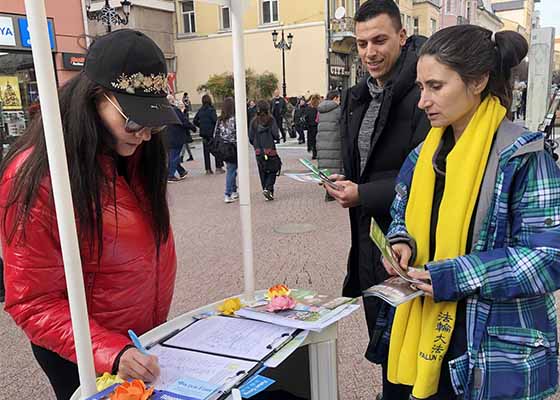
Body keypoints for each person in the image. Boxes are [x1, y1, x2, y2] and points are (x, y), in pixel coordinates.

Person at [370, 24, 560, 400]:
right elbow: (401, 213)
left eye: (436, 86)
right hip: (420, 335)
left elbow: (548, 258)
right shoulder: (423, 155)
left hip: (491, 350)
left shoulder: (523, 157)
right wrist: (401, 241)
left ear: (478, 81)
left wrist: (455, 274)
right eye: (421, 87)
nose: (423, 100)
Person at [0, 29, 178, 399]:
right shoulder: (40, 175)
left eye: (154, 123)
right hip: (82, 351)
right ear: (94, 99)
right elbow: (32, 301)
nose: (144, 135)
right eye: (133, 121)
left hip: (138, 343)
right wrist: (111, 352)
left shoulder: (138, 155)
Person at [324, 0, 430, 377]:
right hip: (370, 240)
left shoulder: (424, 95)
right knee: (385, 351)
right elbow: (361, 165)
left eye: (380, 40)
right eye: (362, 42)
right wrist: (343, 182)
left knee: (412, 356)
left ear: (403, 36)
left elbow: (425, 176)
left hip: (412, 245)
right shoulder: (359, 96)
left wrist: (362, 193)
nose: (370, 51)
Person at [249, 100, 282, 201]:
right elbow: (276, 134)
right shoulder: (271, 120)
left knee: (262, 170)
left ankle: (265, 188)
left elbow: (250, 136)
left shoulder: (254, 121)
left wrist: (255, 145)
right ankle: (269, 188)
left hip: (259, 150)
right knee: (273, 169)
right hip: (270, 149)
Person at [317, 89, 343, 201]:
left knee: (326, 166)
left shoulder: (321, 111)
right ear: (336, 98)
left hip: (322, 142)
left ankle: (328, 190)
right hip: (335, 141)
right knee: (335, 165)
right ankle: (332, 192)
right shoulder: (338, 111)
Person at [194, 94, 224, 174]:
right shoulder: (211, 110)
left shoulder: (200, 110)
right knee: (216, 150)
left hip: (204, 134)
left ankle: (208, 169)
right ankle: (218, 168)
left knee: (206, 152)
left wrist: (201, 126)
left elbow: (195, 121)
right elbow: (215, 120)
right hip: (212, 133)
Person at [216, 97, 239, 203]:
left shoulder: (220, 119)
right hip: (234, 146)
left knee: (231, 169)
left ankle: (234, 190)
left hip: (223, 147)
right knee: (231, 170)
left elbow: (215, 134)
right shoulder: (235, 119)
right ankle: (228, 193)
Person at [166, 94, 190, 182]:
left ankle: (181, 171)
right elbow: (183, 121)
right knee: (174, 156)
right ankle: (170, 175)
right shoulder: (175, 110)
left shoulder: (164, 110)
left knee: (172, 156)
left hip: (167, 136)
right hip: (176, 136)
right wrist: (192, 127)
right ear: (172, 101)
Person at [305, 94, 320, 159]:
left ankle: (314, 153)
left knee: (312, 141)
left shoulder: (309, 108)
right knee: (318, 141)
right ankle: (317, 153)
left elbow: (306, 117)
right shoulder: (319, 108)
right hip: (318, 126)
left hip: (310, 127)